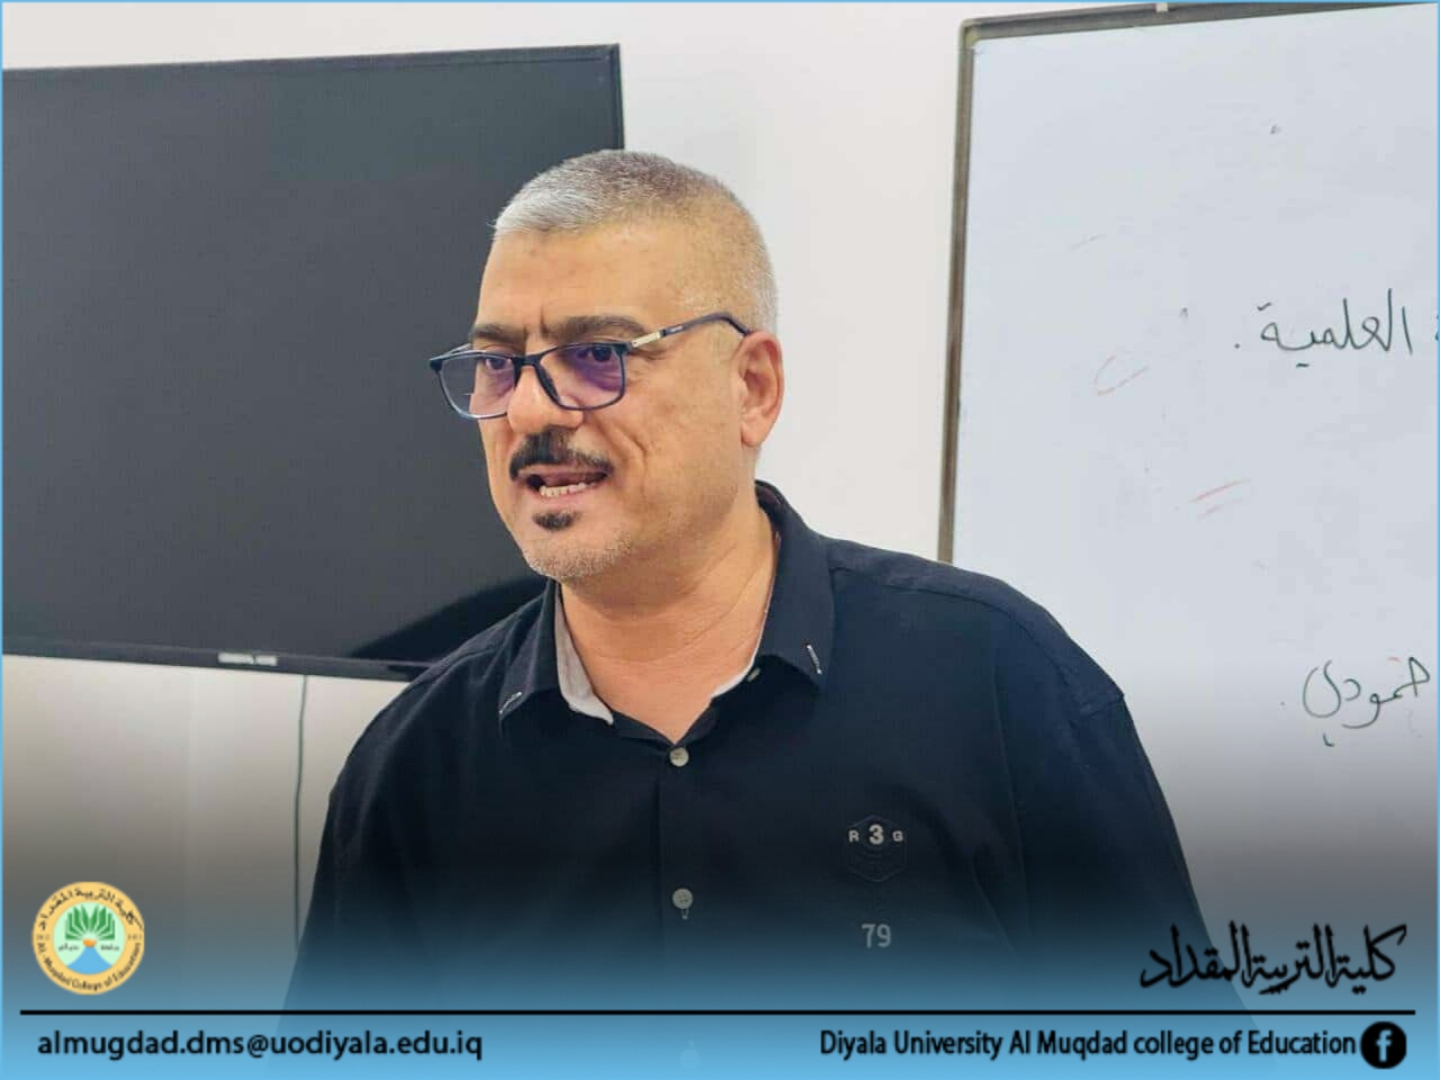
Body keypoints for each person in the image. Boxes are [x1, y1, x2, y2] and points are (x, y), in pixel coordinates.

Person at [287, 150, 1219, 1010]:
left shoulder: (999, 683)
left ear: (753, 388)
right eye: (499, 365)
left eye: (598, 356)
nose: (529, 409)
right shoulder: (414, 769)